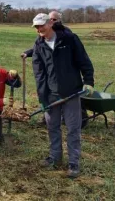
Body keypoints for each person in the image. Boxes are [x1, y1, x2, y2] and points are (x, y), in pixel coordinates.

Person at [31, 13, 94, 178]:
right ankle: (55, 157)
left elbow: (84, 61)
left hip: (71, 92)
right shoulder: (38, 45)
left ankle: (74, 163)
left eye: (41, 25)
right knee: (52, 127)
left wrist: (88, 80)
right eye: (36, 27)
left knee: (73, 129)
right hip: (51, 95)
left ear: (50, 23)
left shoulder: (69, 39)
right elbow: (39, 75)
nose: (39, 29)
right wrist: (42, 98)